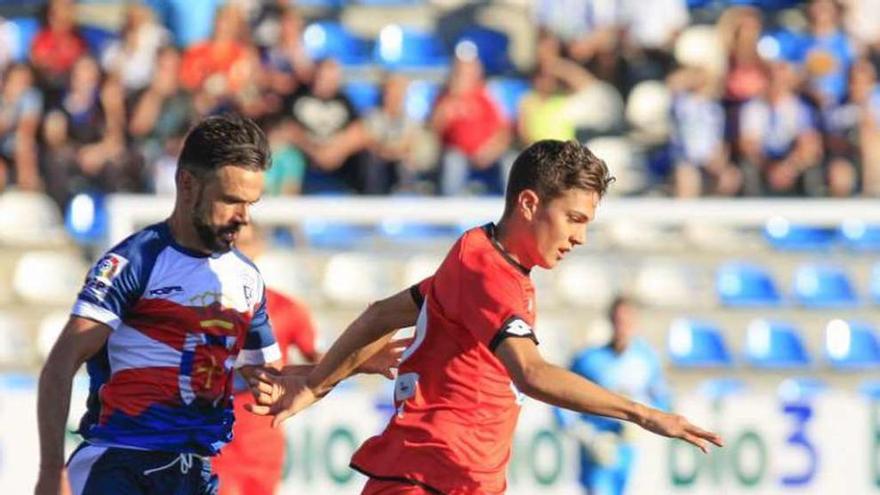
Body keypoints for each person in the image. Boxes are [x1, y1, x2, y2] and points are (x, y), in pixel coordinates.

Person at [247, 139, 724, 494]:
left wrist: (316, 382)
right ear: (530, 203)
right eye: (574, 219)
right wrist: (643, 413)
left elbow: (380, 315)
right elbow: (532, 373)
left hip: (459, 481)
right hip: (427, 478)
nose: (581, 237)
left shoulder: (483, 262)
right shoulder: (487, 271)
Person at [35, 114, 400, 495]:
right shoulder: (136, 262)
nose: (243, 218)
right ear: (187, 184)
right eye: (230, 200)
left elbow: (262, 379)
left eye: (250, 204)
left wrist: (351, 365)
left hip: (193, 474)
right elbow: (61, 362)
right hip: (121, 464)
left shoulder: (246, 280)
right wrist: (49, 471)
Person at [211, 223, 319, 495]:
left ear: (259, 248)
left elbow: (318, 358)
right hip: (213, 433)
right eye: (230, 244)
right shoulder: (200, 305)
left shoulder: (286, 308)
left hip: (262, 437)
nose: (237, 251)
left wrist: (357, 356)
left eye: (245, 243)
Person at [556, 295, 671, 495]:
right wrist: (587, 437)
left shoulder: (646, 359)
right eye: (618, 321)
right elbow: (559, 400)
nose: (623, 327)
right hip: (600, 453)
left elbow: (663, 400)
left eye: (628, 321)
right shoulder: (587, 360)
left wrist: (642, 427)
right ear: (610, 321)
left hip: (635, 454)